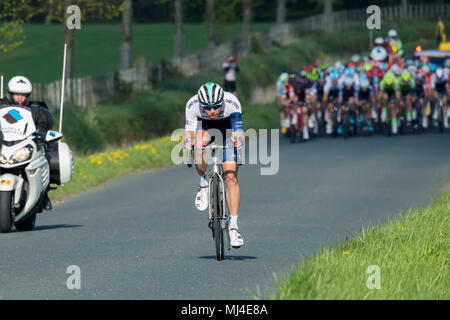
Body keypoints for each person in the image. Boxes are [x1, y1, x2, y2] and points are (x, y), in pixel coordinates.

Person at [184, 83, 244, 248]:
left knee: (230, 176)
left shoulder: (232, 102)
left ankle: (233, 227)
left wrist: (238, 139)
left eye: (216, 107)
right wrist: (188, 142)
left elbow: (238, 129)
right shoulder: (192, 104)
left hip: (228, 130)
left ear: (222, 102)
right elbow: (189, 131)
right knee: (198, 144)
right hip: (206, 129)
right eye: (207, 108)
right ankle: (203, 182)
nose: (212, 111)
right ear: (201, 104)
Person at [0, 75, 55, 210]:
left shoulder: (35, 109)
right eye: (17, 94)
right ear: (10, 94)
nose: (20, 98)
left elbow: (42, 125)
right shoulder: (1, 106)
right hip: (3, 143)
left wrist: (42, 135)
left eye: (23, 95)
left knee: (45, 157)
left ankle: (44, 195)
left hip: (24, 144)